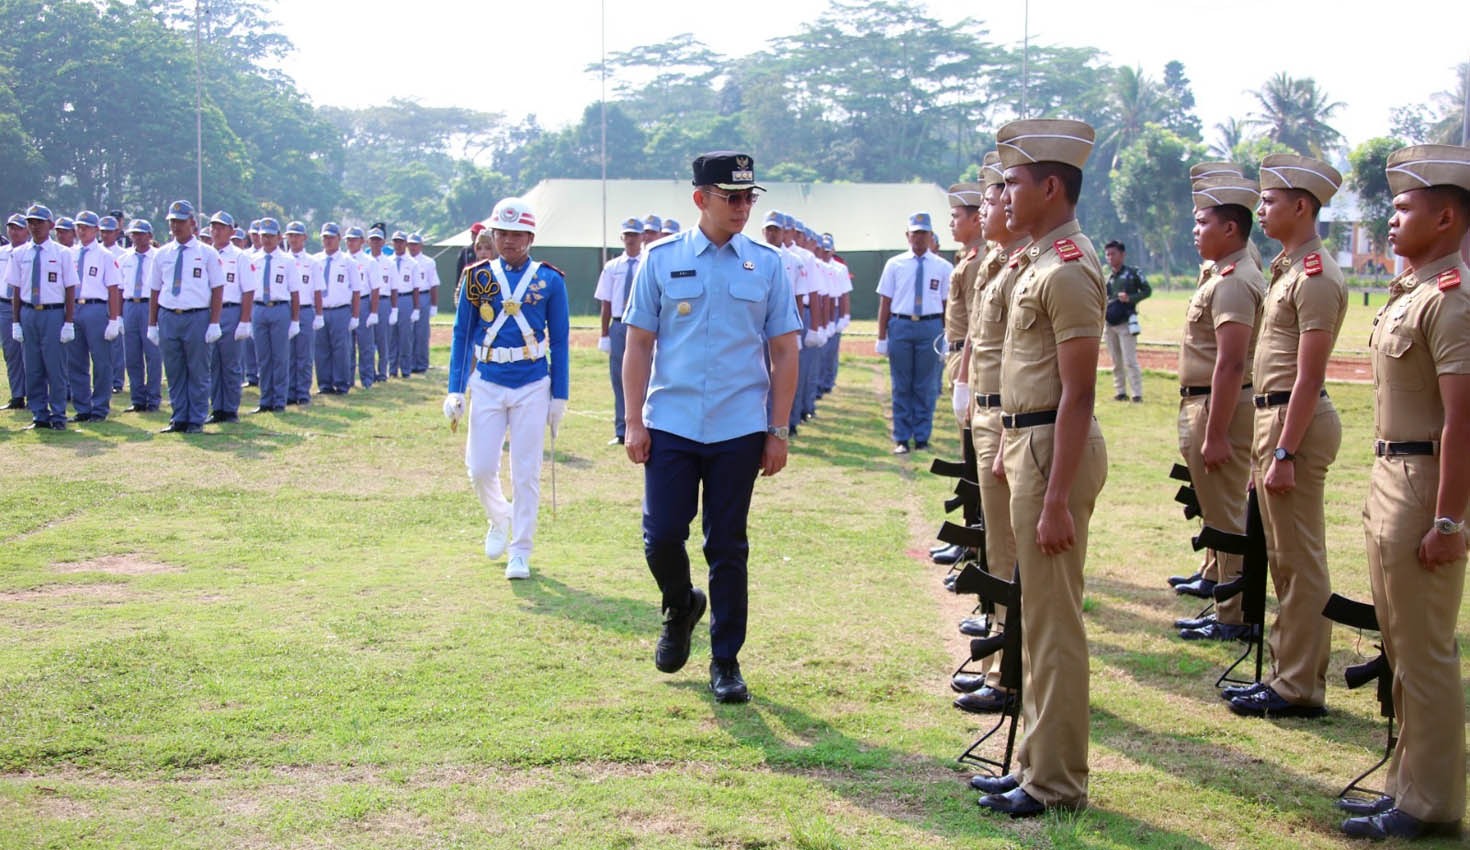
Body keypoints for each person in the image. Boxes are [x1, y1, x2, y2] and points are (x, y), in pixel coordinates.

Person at [622, 151, 800, 704]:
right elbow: (638, 344)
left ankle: (726, 661)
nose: (743, 207)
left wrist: (778, 430)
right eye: (732, 197)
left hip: (739, 428)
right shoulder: (660, 259)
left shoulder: (767, 264)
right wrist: (632, 421)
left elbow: (785, 351)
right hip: (672, 423)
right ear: (701, 199)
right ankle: (680, 605)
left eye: (749, 197)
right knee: (662, 537)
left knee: (727, 546)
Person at [972, 118, 1108, 818]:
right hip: (1030, 443)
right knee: (1037, 615)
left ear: (1051, 187)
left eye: (1016, 183)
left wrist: (1056, 498)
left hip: (1056, 448)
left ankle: (1056, 782)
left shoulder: (1070, 268)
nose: (1007, 193)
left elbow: (1080, 392)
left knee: (1054, 622)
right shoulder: (1039, 262)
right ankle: (1035, 766)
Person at [1338, 144, 1470, 841]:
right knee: (1402, 648)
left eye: (1403, 208)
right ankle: (1408, 788)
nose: (1390, 220)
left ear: (1445, 217)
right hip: (1394, 477)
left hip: (1424, 487)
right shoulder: (1415, 293)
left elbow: (1462, 420)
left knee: (1425, 653)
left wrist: (1449, 520)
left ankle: (1434, 804)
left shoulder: (1451, 302)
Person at [1224, 153, 1346, 719]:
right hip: (1274, 419)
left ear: (1302, 206)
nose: (1261, 209)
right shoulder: (1289, 268)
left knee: (1300, 561)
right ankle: (1283, 673)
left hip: (1293, 424)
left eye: (1270, 201)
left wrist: (1285, 449)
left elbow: (1310, 374)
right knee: (1281, 558)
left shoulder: (1317, 276)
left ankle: (1299, 686)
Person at [443, 200, 569, 581]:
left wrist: (559, 395)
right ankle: (501, 518)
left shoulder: (550, 280)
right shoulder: (476, 276)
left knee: (526, 472)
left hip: (532, 382)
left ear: (530, 237)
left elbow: (560, 341)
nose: (510, 241)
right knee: (479, 468)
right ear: (493, 236)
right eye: (503, 233)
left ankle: (521, 550)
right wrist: (455, 388)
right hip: (488, 380)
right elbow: (462, 334)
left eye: (517, 234)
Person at [1173, 176, 1266, 641]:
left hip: (1217, 406)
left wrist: (1215, 432)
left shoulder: (1234, 282)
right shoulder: (1221, 274)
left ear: (1230, 229)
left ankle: (1234, 615)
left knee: (1228, 515)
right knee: (1218, 510)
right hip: (1204, 403)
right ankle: (1224, 599)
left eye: (1203, 222)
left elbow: (1230, 363)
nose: (1195, 229)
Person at [954, 151, 1026, 714]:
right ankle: (999, 659)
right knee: (999, 549)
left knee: (1008, 553)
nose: (987, 209)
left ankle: (1007, 670)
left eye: (997, 197)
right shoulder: (1003, 263)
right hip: (990, 412)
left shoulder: (1028, 265)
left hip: (1011, 419)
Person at [875, 211, 952, 454]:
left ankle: (921, 436)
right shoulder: (895, 264)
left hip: (930, 326)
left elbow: (947, 305)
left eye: (924, 234)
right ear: (907, 236)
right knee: (901, 384)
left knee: (926, 384)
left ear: (931, 236)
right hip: (901, 324)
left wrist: (947, 334)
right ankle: (901, 437)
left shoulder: (943, 266)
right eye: (915, 234)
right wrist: (881, 337)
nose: (919, 238)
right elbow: (885, 302)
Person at [147, 200, 224, 434]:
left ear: (192, 223)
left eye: (180, 222)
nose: (176, 226)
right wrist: (152, 323)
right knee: (174, 370)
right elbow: (154, 289)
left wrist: (214, 322)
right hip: (169, 315)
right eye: (172, 222)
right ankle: (179, 416)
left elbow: (218, 287)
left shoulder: (207, 253)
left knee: (198, 370)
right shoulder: (162, 254)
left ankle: (196, 418)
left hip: (197, 316)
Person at [5, 204, 79, 430]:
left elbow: (69, 289)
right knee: (33, 366)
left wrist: (68, 321)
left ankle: (58, 414)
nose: (34, 226)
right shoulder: (19, 254)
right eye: (31, 222)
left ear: (51, 225)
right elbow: (16, 289)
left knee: (54, 366)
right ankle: (39, 414)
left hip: (53, 312)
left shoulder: (62, 253)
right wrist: (16, 321)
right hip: (29, 312)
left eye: (39, 222)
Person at [66, 210, 123, 423]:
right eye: (79, 227)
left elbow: (113, 289)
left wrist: (114, 319)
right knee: (76, 361)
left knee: (101, 361)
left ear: (96, 230)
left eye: (86, 227)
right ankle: (82, 407)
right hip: (75, 307)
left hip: (96, 308)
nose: (82, 231)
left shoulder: (105, 256)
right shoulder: (70, 253)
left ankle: (99, 408)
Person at [595, 217, 644, 445]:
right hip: (619, 323)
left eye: (635, 235)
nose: (631, 239)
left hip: (643, 324)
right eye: (627, 235)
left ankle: (646, 424)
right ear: (622, 238)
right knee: (618, 377)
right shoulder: (612, 267)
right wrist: (604, 334)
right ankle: (621, 429)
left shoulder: (648, 263)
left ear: (642, 237)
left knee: (647, 374)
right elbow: (605, 302)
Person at [207, 211, 255, 424]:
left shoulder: (239, 256)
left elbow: (248, 290)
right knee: (213, 363)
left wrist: (244, 321)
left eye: (221, 227)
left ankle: (230, 408)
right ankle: (217, 407)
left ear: (231, 231)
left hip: (231, 310)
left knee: (231, 363)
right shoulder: (206, 253)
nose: (216, 231)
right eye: (213, 227)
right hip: (208, 311)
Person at [250, 218, 300, 413]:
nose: (267, 240)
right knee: (263, 357)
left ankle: (279, 400)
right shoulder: (253, 259)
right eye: (264, 236)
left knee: (280, 357)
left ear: (279, 237)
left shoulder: (287, 261)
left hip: (279, 308)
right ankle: (265, 399)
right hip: (259, 307)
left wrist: (295, 320)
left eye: (271, 236)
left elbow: (295, 293)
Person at [118, 220, 162, 413]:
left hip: (149, 304)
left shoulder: (157, 257)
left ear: (149, 236)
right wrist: (118, 315)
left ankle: (153, 398)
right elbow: (119, 288)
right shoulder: (124, 258)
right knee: (132, 355)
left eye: (141, 234)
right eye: (133, 234)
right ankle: (137, 398)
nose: (136, 237)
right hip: (130, 305)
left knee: (152, 355)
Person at [313, 222, 362, 395]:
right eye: (325, 237)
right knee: (321, 349)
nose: (328, 241)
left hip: (340, 310)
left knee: (341, 349)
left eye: (331, 237)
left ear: (339, 239)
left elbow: (357, 290)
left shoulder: (348, 261)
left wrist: (355, 316)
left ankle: (342, 383)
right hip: (321, 309)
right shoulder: (316, 260)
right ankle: (324, 384)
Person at [1103, 240, 1151, 402]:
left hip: (1126, 321)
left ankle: (1137, 393)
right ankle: (1120, 392)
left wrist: (1131, 298)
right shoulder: (1108, 277)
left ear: (1122, 255)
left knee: (1130, 360)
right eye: (1107, 254)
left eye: (1113, 254)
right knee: (1116, 361)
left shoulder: (1133, 273)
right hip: (1109, 322)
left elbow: (1147, 290)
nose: (1110, 257)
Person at [285, 221, 322, 405]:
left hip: (306, 310)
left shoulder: (312, 262)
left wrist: (319, 314)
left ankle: (302, 392)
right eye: (290, 235)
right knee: (288, 354)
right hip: (287, 310)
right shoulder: (283, 259)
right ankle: (290, 392)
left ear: (304, 238)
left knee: (304, 354)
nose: (293, 239)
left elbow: (317, 290)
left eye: (297, 235)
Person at [343, 226, 380, 389]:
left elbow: (375, 288)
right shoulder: (342, 259)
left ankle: (367, 378)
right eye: (348, 239)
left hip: (364, 302)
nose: (351, 243)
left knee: (365, 344)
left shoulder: (369, 262)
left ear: (362, 242)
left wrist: (373, 312)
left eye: (354, 239)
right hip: (346, 303)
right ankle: (348, 378)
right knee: (347, 345)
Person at [1, 213, 26, 409]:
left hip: (27, 306)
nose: (13, 231)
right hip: (5, 305)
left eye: (18, 227)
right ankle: (17, 395)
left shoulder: (31, 252)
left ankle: (38, 394)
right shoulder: (2, 252)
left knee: (31, 353)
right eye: (11, 227)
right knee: (11, 353)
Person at [407, 232, 438, 374]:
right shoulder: (404, 260)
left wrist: (433, 305)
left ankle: (421, 363)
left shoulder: (428, 262)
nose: (412, 247)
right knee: (407, 332)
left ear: (421, 245)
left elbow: (433, 284)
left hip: (423, 296)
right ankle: (407, 362)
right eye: (410, 244)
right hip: (407, 296)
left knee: (421, 332)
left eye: (415, 244)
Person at [389, 231, 418, 379]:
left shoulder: (412, 263)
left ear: (405, 244)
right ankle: (392, 369)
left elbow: (416, 288)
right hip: (390, 299)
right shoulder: (388, 261)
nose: (398, 245)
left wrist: (416, 308)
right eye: (396, 242)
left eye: (401, 242)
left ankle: (406, 369)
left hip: (406, 299)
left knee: (405, 336)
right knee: (391, 336)